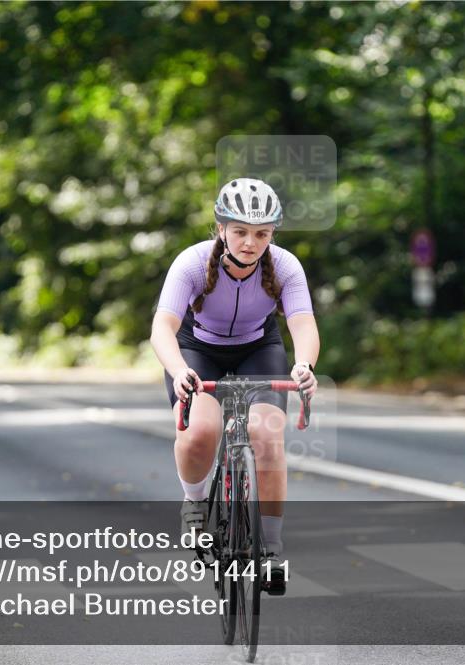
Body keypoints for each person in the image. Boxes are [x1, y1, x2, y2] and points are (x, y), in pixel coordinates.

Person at [150, 178, 319, 591]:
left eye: (261, 234)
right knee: (200, 433)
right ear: (221, 228)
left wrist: (304, 366)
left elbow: (303, 323)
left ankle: (272, 550)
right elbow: (162, 327)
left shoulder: (284, 266)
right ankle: (193, 502)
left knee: (267, 436)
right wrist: (178, 369)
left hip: (257, 349)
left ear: (272, 234)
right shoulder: (191, 263)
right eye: (240, 231)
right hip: (197, 349)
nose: (250, 242)